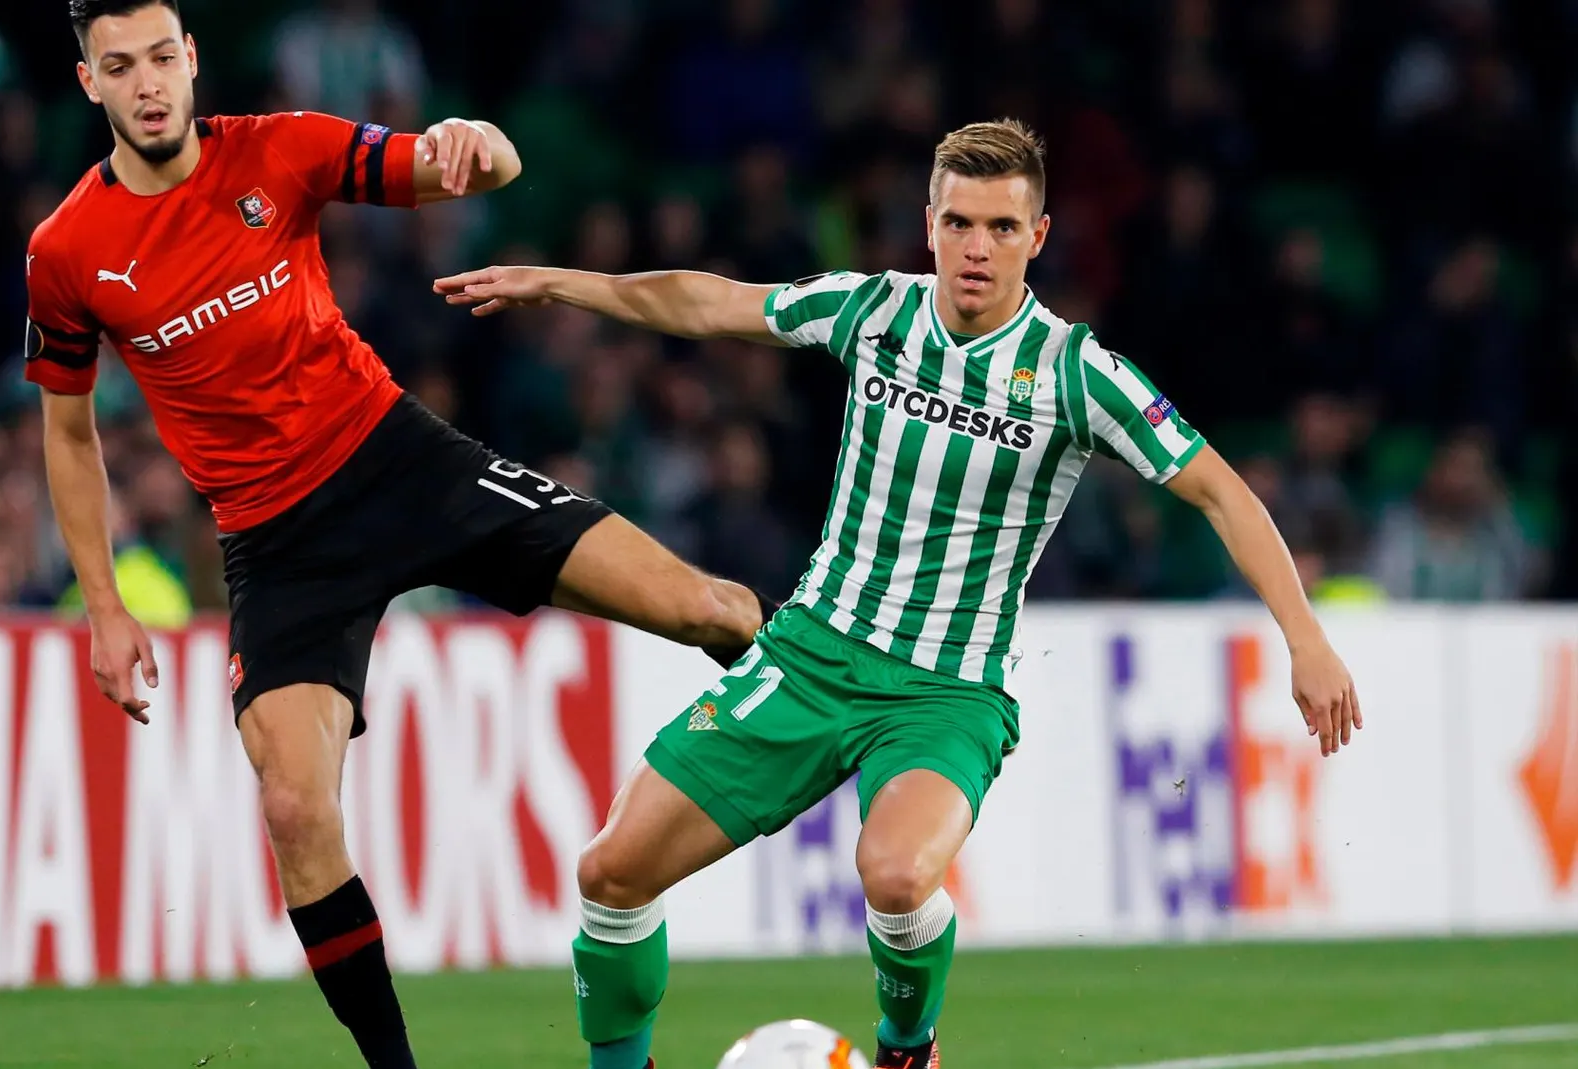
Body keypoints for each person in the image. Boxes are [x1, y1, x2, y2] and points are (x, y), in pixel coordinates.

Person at [434, 119, 1365, 1069]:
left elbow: (1220, 487)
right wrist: (557, 282)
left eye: (1003, 228)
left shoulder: (1077, 372)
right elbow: (712, 303)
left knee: (893, 871)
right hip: (809, 655)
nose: (977, 247)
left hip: (947, 693)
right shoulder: (875, 310)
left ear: (1037, 238)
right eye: (959, 221)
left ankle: (906, 1051)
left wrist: (1307, 637)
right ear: (928, 223)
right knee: (610, 872)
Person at [28, 4, 774, 1067]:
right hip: (277, 543)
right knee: (293, 806)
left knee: (708, 607)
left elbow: (475, 168)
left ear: (191, 59)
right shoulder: (66, 251)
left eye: (160, 59)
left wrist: (479, 140)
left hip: (402, 464)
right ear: (88, 83)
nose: (146, 85)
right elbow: (68, 430)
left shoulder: (277, 148)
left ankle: (852, 700)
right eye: (119, 67)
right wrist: (103, 605)